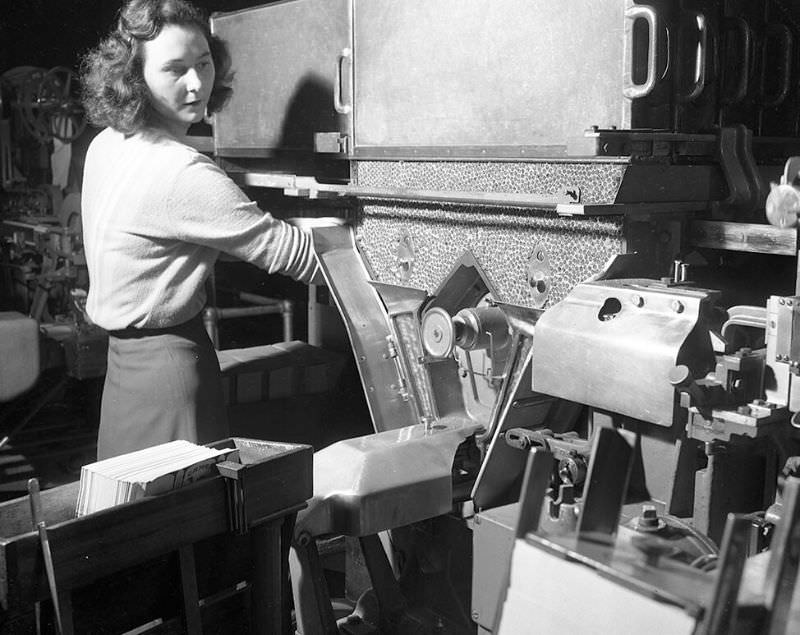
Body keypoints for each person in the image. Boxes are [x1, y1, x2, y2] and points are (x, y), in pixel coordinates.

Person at [80, 0, 318, 460]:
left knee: (133, 520)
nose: (196, 85)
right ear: (135, 78)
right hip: (169, 371)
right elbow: (298, 257)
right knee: (182, 517)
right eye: (175, 70)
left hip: (122, 373)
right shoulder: (181, 171)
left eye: (204, 64)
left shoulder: (104, 144)